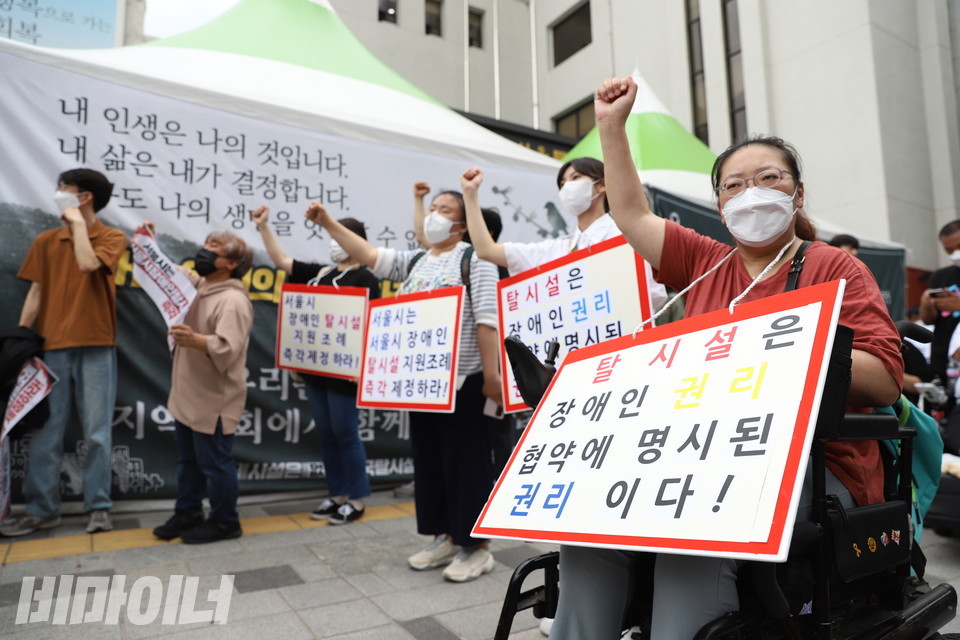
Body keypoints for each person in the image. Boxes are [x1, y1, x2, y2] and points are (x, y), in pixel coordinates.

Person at [547, 77, 903, 640]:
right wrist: (611, 126)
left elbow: (884, 381)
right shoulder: (705, 262)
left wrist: (784, 348)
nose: (751, 192)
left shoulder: (833, 266)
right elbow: (632, 215)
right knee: (588, 528)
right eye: (734, 185)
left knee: (694, 527)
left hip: (815, 465)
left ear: (798, 194)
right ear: (720, 205)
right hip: (699, 452)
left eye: (769, 178)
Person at [306, 189, 502, 583]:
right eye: (433, 208)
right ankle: (445, 537)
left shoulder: (476, 259)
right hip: (422, 384)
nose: (434, 215)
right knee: (431, 463)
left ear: (463, 224)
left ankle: (476, 547)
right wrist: (327, 222)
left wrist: (492, 376)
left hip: (463, 383)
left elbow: (487, 319)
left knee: (465, 466)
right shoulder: (415, 260)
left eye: (444, 210)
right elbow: (367, 253)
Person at [1, 169, 126, 538]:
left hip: (97, 344)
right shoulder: (45, 240)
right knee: (45, 431)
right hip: (51, 346)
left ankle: (99, 506)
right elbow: (36, 292)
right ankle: (42, 509)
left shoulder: (112, 237)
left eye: (64, 189)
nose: (57, 194)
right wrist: (21, 340)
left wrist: (78, 225)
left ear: (85, 197)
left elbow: (88, 264)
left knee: (97, 432)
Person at [251, 204, 379, 524]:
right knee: (327, 434)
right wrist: (263, 226)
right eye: (331, 236)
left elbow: (373, 325)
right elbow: (282, 261)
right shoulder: (321, 274)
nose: (335, 242)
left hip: (346, 372)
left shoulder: (366, 278)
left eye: (341, 236)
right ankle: (337, 494)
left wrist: (364, 367)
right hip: (316, 369)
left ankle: (356, 499)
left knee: (346, 434)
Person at [151, 228, 254, 544]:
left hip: (213, 400)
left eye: (214, 247)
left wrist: (195, 340)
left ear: (232, 264)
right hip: (187, 395)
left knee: (215, 464)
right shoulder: (200, 286)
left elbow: (228, 347)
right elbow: (171, 272)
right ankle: (188, 512)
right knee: (189, 462)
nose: (204, 251)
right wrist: (149, 245)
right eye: (206, 244)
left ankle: (226, 522)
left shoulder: (233, 301)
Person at [456, 162, 667, 312]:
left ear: (601, 185)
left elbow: (652, 296)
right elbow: (486, 250)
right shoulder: (558, 249)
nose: (567, 187)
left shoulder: (624, 236)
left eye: (575, 178)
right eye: (562, 183)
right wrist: (470, 194)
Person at [920, 221, 960, 388]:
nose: (955, 254)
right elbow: (928, 320)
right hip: (942, 358)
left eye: (959, 246)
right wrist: (926, 305)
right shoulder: (940, 276)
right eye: (949, 250)